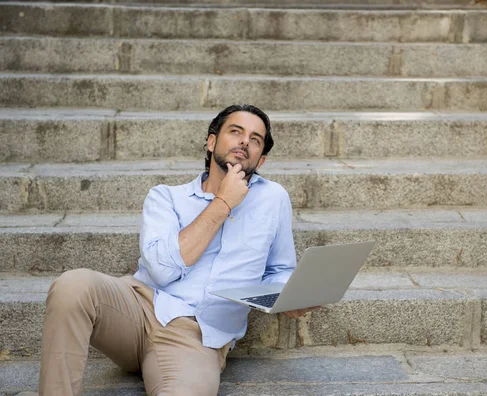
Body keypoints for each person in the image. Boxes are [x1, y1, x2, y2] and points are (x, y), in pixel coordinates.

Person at [32, 104, 316, 396]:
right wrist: (223, 203)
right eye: (235, 131)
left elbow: (279, 270)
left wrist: (285, 297)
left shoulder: (273, 198)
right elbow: (161, 270)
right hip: (137, 309)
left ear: (262, 159)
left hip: (197, 336)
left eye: (255, 139)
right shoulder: (166, 197)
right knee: (72, 286)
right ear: (211, 142)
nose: (245, 141)